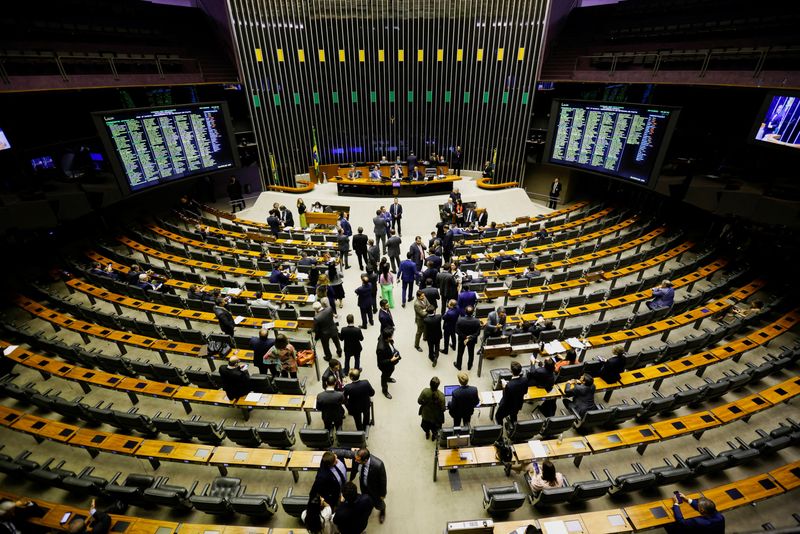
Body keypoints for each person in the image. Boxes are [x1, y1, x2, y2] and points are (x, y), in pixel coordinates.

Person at [349, 448, 388, 524]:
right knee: (367, 499)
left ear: (365, 460)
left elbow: (383, 481)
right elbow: (346, 453)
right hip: (364, 486)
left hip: (374, 489)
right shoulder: (358, 457)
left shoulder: (379, 465)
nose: (355, 461)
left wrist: (383, 494)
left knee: (379, 503)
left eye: (358, 460)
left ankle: (382, 510)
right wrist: (333, 451)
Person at [376, 328, 400, 399]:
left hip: (390, 362)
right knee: (384, 377)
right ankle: (385, 391)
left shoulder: (384, 337)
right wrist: (391, 360)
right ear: (388, 337)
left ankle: (388, 378)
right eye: (392, 335)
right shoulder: (381, 348)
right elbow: (381, 362)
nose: (393, 336)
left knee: (392, 369)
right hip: (385, 365)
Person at [455, 306, 481, 370]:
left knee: (460, 353)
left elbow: (457, 330)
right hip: (472, 340)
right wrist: (470, 337)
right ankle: (469, 366)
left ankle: (458, 365)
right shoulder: (477, 321)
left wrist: (465, 337)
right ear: (473, 312)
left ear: (465, 312)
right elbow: (478, 333)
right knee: (471, 353)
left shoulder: (460, 320)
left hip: (462, 339)